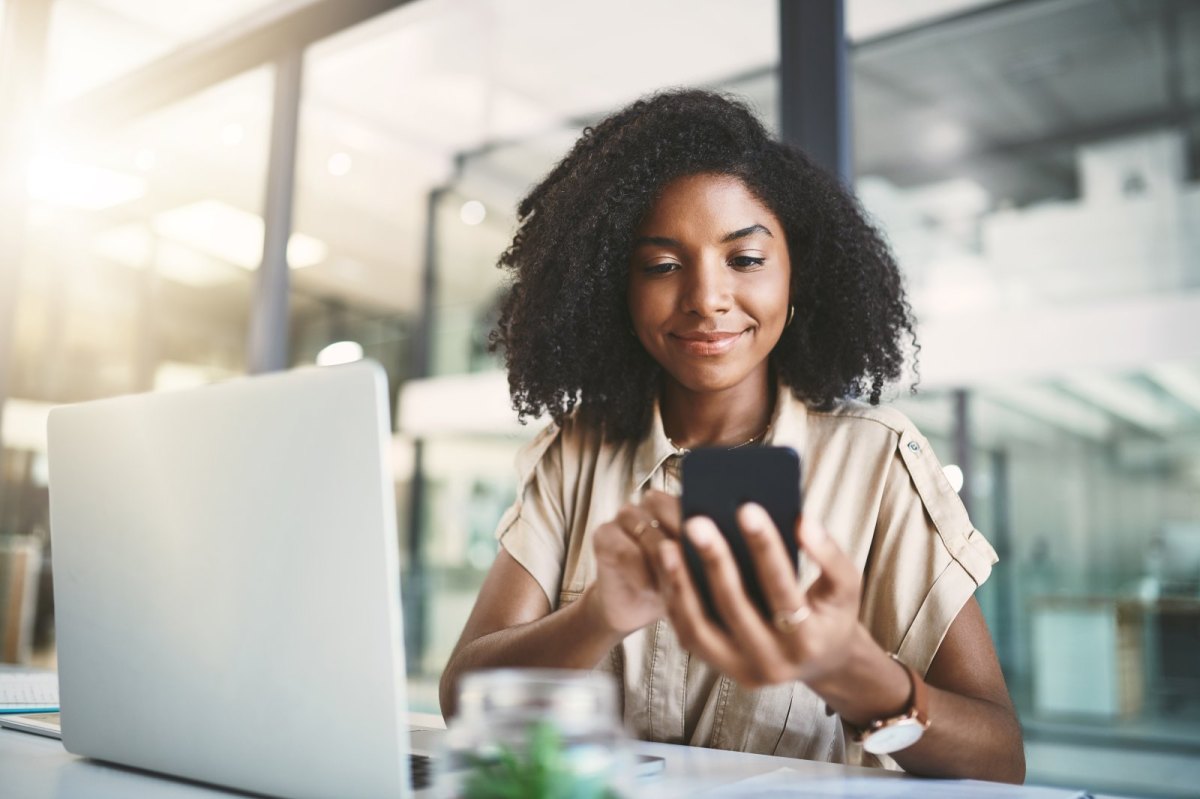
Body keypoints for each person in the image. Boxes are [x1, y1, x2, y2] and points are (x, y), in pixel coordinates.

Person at [439, 90, 1025, 782]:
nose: (706, 298)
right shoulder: (578, 453)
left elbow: (1001, 759)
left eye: (744, 259)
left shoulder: (878, 461)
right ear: (613, 290)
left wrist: (853, 668)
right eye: (661, 266)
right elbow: (462, 699)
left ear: (795, 272)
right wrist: (597, 614)